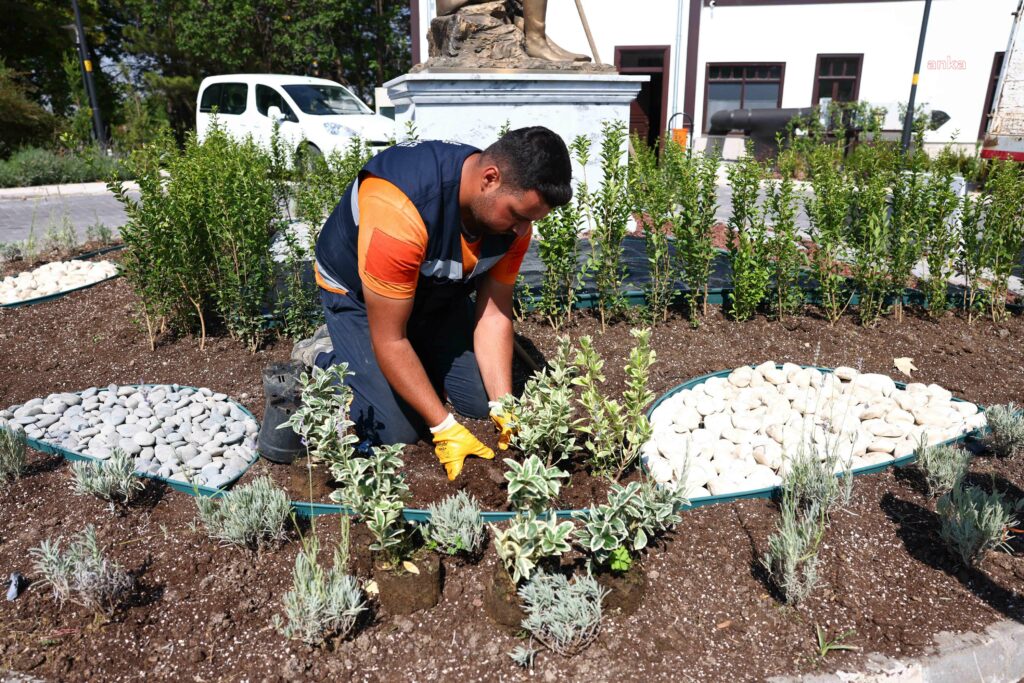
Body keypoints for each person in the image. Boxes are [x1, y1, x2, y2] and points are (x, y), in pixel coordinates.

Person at [297, 127, 573, 480]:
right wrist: (443, 427)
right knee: (397, 431)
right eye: (518, 215)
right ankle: (324, 353)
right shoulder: (401, 207)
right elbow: (390, 338)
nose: (523, 232)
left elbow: (494, 312)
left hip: (431, 293)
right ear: (490, 179)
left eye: (532, 221)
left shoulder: (514, 220)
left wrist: (504, 406)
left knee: (477, 401)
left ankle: (412, 358)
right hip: (360, 298)